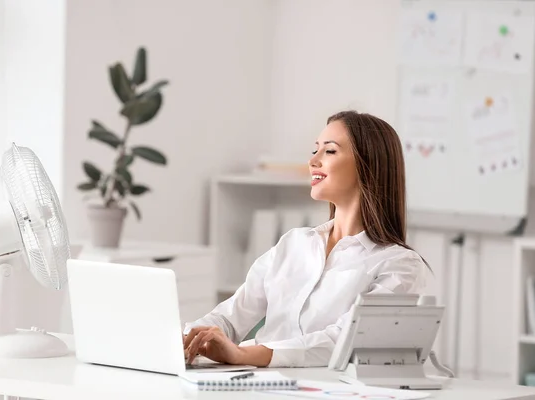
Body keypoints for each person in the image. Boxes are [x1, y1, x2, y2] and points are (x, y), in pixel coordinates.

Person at [183, 110, 429, 368]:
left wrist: (245, 355)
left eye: (330, 151)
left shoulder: (400, 264)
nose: (313, 160)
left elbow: (346, 341)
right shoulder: (294, 243)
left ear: (368, 164)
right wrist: (189, 338)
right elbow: (232, 315)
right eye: (315, 150)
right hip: (258, 385)